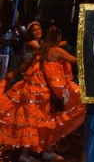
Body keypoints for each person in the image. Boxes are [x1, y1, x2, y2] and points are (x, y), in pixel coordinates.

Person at [0, 25, 86, 162]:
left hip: (37, 93)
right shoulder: (56, 51)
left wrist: (14, 73)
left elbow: (27, 64)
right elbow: (77, 61)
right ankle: (28, 154)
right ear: (58, 37)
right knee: (46, 122)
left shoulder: (42, 49)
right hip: (47, 95)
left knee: (40, 123)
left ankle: (46, 151)